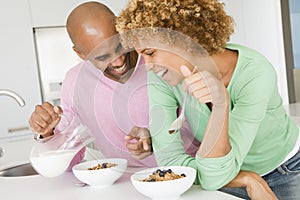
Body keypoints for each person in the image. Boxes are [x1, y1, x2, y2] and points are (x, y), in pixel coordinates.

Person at [116, 0, 300, 199]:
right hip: (226, 178)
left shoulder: (255, 73)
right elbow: (171, 162)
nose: (147, 65)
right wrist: (244, 178)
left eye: (150, 53)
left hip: (284, 172)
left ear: (186, 39)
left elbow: (210, 173)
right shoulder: (161, 77)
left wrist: (221, 101)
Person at [28, 2, 199, 168]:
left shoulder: (157, 59)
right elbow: (69, 159)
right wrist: (48, 133)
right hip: (126, 180)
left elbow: (199, 128)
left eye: (120, 45)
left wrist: (156, 141)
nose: (118, 61)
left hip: (187, 171)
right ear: (80, 53)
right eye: (102, 57)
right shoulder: (75, 82)